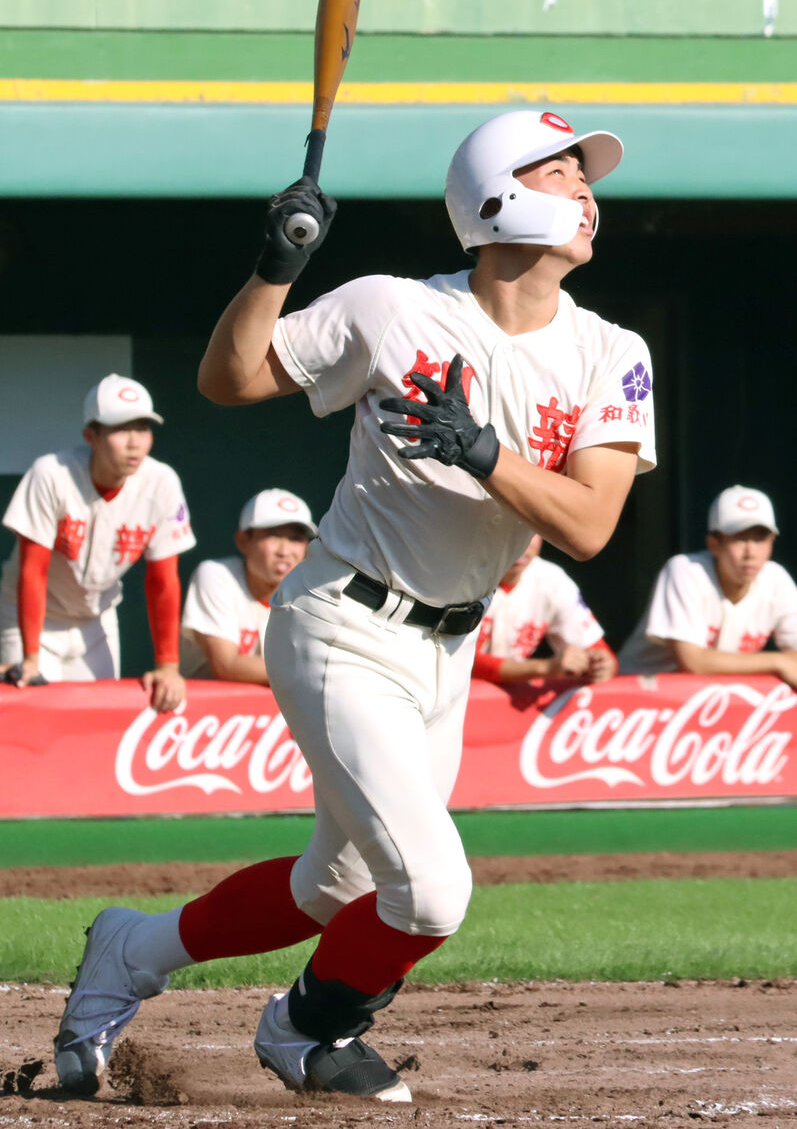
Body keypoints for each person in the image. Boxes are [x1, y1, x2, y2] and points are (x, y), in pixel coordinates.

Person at [54, 108, 656, 1102]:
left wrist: (478, 451)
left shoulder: (610, 349)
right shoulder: (390, 307)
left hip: (447, 652)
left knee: (330, 890)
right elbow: (229, 377)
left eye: (585, 175)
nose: (587, 190)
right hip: (342, 622)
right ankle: (306, 1029)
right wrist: (275, 264)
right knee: (428, 892)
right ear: (495, 198)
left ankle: (132, 949)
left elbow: (588, 525)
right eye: (560, 174)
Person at [0, 374, 195, 712]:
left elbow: (162, 581)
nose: (135, 442)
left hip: (97, 620)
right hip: (32, 620)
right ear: (91, 435)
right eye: (121, 429)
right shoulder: (52, 474)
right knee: (32, 717)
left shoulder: (161, 482)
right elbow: (33, 571)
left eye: (143, 428)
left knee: (95, 723)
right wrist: (30, 658)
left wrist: (168, 665)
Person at [618, 485, 797, 684]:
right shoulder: (685, 569)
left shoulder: (776, 579)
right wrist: (778, 661)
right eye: (739, 539)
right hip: (638, 696)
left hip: (708, 699)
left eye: (760, 539)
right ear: (714, 544)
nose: (751, 553)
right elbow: (693, 662)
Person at [180, 488, 316, 683]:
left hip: (270, 711)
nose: (284, 551)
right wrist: (315, 673)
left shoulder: (310, 594)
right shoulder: (217, 575)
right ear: (243, 541)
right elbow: (226, 665)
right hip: (205, 710)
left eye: (295, 538)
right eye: (273, 535)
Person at [473, 533, 617, 684]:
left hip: (498, 700)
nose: (522, 542)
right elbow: (461, 662)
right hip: (454, 697)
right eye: (510, 528)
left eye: (531, 531)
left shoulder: (552, 580)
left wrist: (601, 664)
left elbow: (601, 653)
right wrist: (544, 667)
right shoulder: (463, 575)